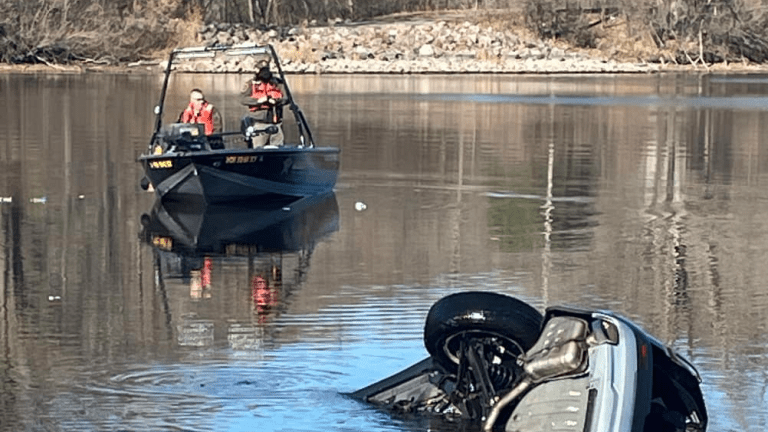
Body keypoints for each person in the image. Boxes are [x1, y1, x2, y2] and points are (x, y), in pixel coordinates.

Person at [240, 66, 284, 147]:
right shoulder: (251, 84)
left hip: (276, 123)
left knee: (278, 146)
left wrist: (275, 101)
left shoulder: (278, 83)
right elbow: (243, 99)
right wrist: (258, 101)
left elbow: (287, 98)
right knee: (259, 146)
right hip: (259, 123)